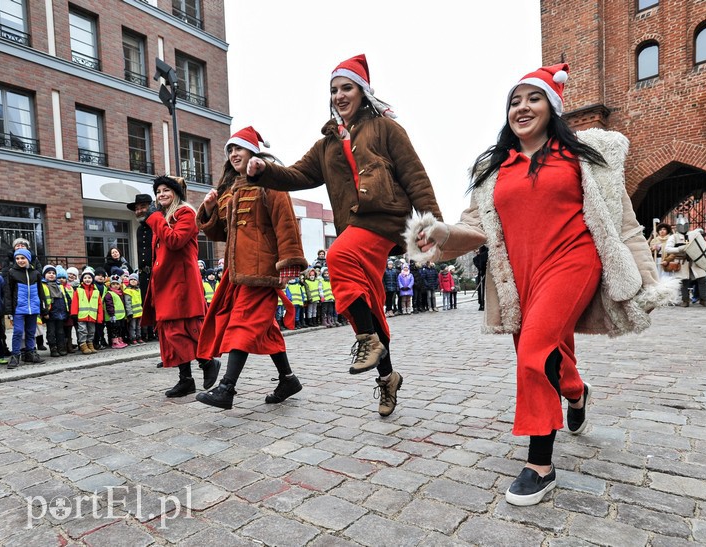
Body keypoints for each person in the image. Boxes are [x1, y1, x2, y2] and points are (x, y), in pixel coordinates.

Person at [406, 64, 676, 506]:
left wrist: (646, 279)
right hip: (519, 276)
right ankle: (576, 391)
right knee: (547, 353)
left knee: (534, 350)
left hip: (573, 261)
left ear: (552, 107)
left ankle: (540, 464)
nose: (523, 107)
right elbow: (475, 229)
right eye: (515, 101)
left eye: (533, 98)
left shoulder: (586, 157)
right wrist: (440, 234)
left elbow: (622, 223)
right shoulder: (493, 170)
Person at [245, 54, 443, 417]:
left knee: (337, 256)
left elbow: (416, 177)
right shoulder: (327, 144)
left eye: (346, 88)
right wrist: (264, 171)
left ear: (363, 91)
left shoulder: (386, 129)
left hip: (386, 219)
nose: (339, 95)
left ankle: (366, 340)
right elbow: (297, 175)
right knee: (366, 302)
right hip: (354, 228)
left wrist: (434, 226)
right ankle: (388, 377)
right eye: (333, 90)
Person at [195, 127, 307, 410]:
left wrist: (289, 262)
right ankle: (288, 379)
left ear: (253, 151)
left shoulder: (271, 181)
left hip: (262, 271)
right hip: (237, 272)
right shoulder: (231, 189)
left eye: (239, 149)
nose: (233, 154)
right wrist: (208, 209)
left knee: (242, 324)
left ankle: (226, 388)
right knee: (265, 329)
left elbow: (286, 222)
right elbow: (221, 234)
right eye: (230, 150)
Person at [141, 175, 219, 398]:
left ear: (176, 192)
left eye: (166, 190)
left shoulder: (185, 213)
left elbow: (175, 241)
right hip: (166, 282)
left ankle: (207, 362)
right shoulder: (165, 216)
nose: (161, 194)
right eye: (158, 192)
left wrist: (156, 219)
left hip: (181, 283)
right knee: (170, 330)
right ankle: (186, 379)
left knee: (184, 328)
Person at [4, 248, 47, 368]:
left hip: (33, 308)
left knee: (31, 332)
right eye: (17, 258)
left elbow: (41, 292)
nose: (20, 260)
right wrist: (9, 310)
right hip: (18, 308)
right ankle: (15, 355)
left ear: (28, 259)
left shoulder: (35, 273)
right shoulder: (12, 272)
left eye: (22, 258)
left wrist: (43, 308)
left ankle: (30, 353)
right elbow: (8, 292)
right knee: (18, 332)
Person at [127, 194, 156, 341]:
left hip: (157, 275)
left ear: (151, 207)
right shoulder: (139, 230)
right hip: (145, 277)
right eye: (137, 209)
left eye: (143, 207)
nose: (139, 211)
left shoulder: (158, 224)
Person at [664, 216, 706, 307]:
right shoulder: (674, 237)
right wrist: (680, 249)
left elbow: (702, 246)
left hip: (695, 260)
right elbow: (667, 249)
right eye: (681, 225)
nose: (683, 227)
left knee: (702, 278)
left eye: (685, 225)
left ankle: (703, 299)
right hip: (682, 261)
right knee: (683, 281)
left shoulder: (694, 235)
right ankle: (685, 300)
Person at [41, 265, 69, 357]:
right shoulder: (43, 285)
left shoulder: (60, 285)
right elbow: (42, 300)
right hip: (50, 313)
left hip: (60, 312)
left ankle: (61, 348)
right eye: (49, 273)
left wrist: (67, 310)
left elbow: (65, 298)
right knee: (51, 332)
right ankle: (53, 348)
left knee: (60, 332)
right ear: (44, 275)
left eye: (53, 273)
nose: (51, 275)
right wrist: (45, 312)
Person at [124, 273, 144, 344]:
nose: (133, 281)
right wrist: (129, 312)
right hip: (132, 312)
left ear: (137, 281)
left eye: (134, 279)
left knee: (138, 326)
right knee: (132, 326)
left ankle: (139, 337)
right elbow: (127, 303)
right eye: (131, 279)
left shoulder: (138, 290)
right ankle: (132, 338)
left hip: (139, 312)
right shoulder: (127, 291)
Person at [473, 245, 488, 311]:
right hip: (481, 274)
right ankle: (481, 303)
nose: (477, 251)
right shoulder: (475, 259)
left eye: (478, 249)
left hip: (487, 273)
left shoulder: (485, 253)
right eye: (475, 250)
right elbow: (479, 267)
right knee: (481, 290)